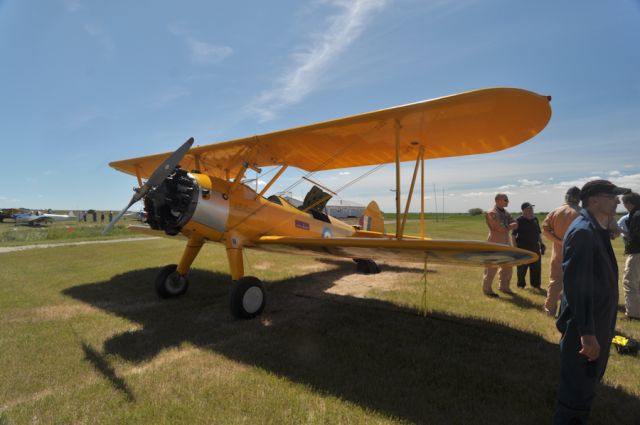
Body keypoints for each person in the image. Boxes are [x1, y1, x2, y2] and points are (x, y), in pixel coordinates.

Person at [553, 180, 630, 424]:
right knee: (577, 387)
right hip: (585, 326)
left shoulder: (594, 228)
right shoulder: (584, 232)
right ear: (595, 200)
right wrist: (587, 334)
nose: (617, 201)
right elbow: (576, 286)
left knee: (587, 381)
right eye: (612, 196)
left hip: (596, 320)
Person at [542, 187, 581, 316]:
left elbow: (545, 230)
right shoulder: (583, 213)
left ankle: (549, 310)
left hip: (558, 252)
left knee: (555, 281)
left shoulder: (555, 211)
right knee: (575, 283)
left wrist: (558, 242)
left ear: (566, 197)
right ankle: (570, 312)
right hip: (577, 253)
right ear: (579, 198)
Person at [482, 193, 518, 297]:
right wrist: (509, 226)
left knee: (508, 265)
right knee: (492, 266)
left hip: (506, 242)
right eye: (505, 200)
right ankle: (487, 289)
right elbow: (500, 228)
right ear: (498, 200)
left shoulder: (506, 212)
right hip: (495, 241)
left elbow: (515, 223)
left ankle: (504, 287)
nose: (508, 202)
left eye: (507, 200)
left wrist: (507, 226)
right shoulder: (492, 213)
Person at [512, 202, 545, 289]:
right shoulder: (518, 220)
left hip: (535, 247)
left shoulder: (535, 219)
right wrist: (515, 248)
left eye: (532, 208)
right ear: (524, 210)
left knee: (536, 267)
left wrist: (541, 243)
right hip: (523, 247)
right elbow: (513, 235)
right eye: (530, 208)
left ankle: (536, 285)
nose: (532, 210)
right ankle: (521, 285)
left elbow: (538, 233)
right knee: (522, 267)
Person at [620, 192, 640, 320]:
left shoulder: (637, 216)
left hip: (637, 253)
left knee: (629, 283)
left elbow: (636, 237)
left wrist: (622, 232)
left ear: (628, 203)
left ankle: (633, 314)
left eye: (624, 203)